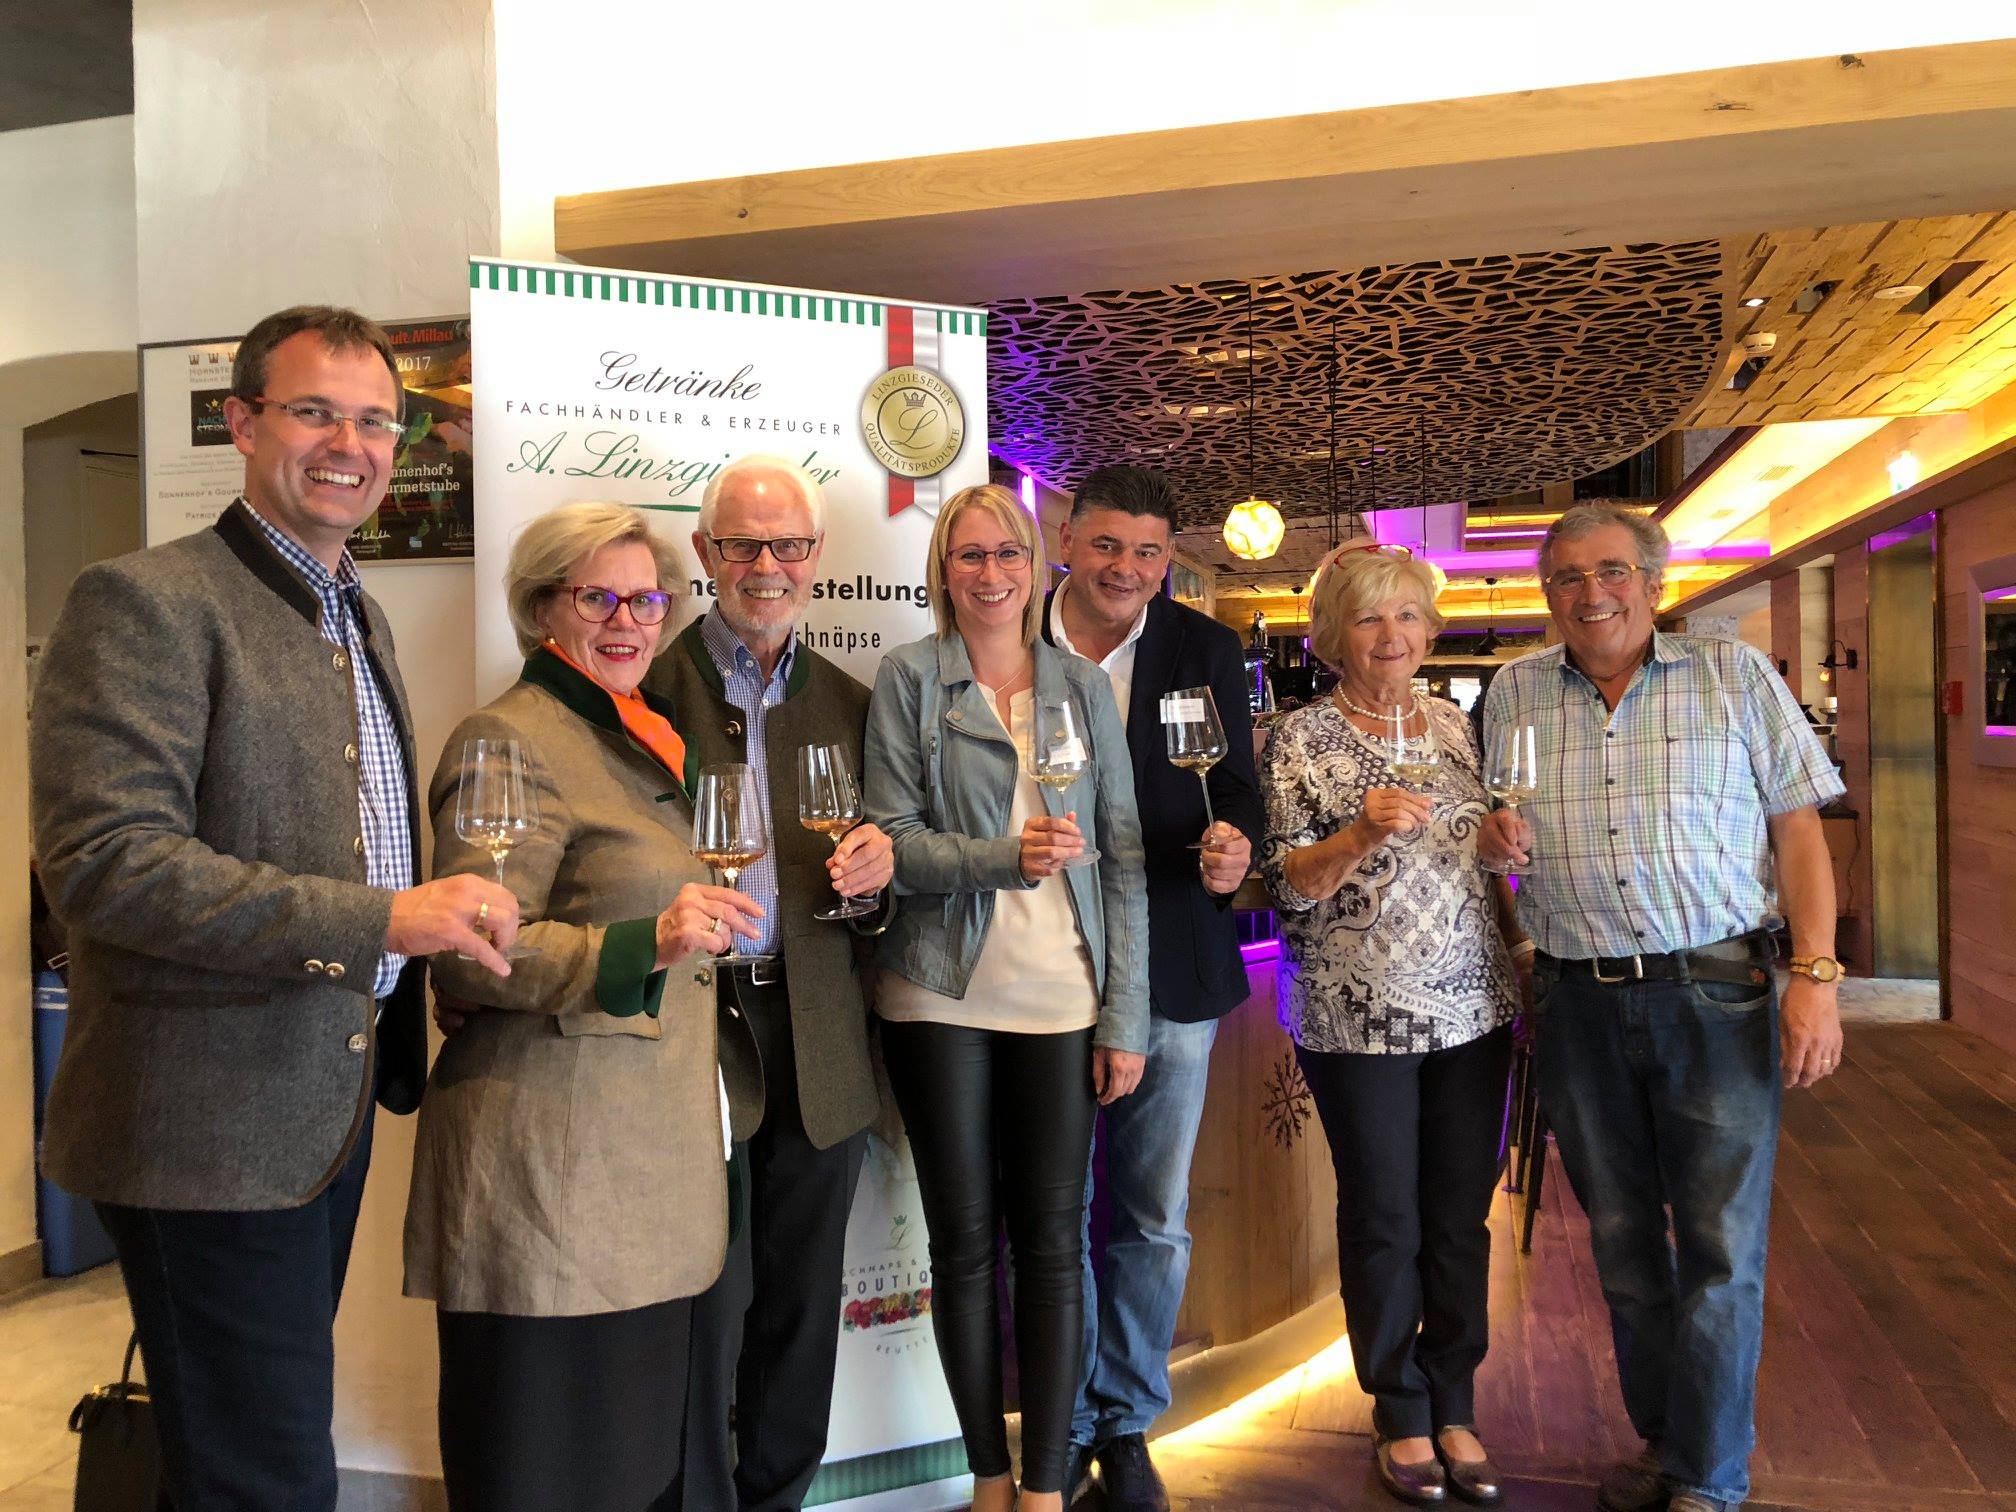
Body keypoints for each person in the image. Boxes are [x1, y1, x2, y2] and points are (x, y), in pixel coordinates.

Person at [29, 305, 518, 1510]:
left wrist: (424, 962)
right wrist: (380, 927)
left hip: (320, 1101)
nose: (347, 443)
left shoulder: (357, 607)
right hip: (203, 1121)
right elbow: (105, 863)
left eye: (374, 421)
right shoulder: (142, 599)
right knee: (265, 1471)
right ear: (242, 422)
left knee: (261, 1442)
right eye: (313, 411)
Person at [406, 502, 772, 1507]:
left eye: (645, 598)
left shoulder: (639, 731)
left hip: (646, 1172)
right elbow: (474, 949)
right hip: (552, 1183)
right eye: (597, 597)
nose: (628, 621)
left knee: (639, 1467)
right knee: (554, 1470)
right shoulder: (508, 742)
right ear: (541, 608)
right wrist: (641, 942)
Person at [1480, 504, 1844, 1512]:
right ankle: (1668, 1444)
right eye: (1564, 577)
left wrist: (1814, 978)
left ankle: (1712, 1477)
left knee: (1723, 1250)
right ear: (1546, 591)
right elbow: (1487, 835)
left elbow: (1799, 832)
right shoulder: (1511, 694)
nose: (1588, 594)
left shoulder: (1733, 676)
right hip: (1577, 1003)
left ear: (1651, 581)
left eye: (1608, 572)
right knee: (1624, 1246)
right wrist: (1489, 845)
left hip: (1715, 995)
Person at [864, 482, 1150, 1512]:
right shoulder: (910, 679)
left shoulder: (1081, 689)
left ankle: (1042, 1487)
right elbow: (888, 844)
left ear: (1038, 566)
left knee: (1054, 1246)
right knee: (964, 1247)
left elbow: (1122, 863)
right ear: (944, 571)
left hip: (1060, 999)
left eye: (1009, 554)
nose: (991, 574)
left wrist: (1125, 1016)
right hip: (938, 994)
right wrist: (1001, 856)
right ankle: (988, 1478)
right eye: (969, 555)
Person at [643, 454, 896, 1511]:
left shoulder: (851, 699)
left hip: (818, 1026)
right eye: (742, 544)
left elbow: (884, 888)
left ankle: (778, 1498)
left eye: (787, 544)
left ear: (816, 558)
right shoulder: (644, 689)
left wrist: (877, 881)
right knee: (704, 1296)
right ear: (705, 554)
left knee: (799, 1299)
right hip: (696, 1028)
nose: (766, 565)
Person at [1258, 543, 1524, 1507]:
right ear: (1335, 635)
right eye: (1370, 618)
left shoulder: (1456, 725)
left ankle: (1456, 1397)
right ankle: (1399, 1407)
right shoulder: (1297, 739)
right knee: (1385, 1217)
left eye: (1408, 615)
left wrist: (1502, 851)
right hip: (1352, 1013)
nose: (1392, 636)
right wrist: (1361, 830)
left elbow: (1482, 862)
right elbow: (1289, 886)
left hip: (1473, 1007)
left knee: (1460, 1214)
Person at [1042, 465, 1262, 1511]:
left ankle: (1124, 1422)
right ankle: (1060, 1416)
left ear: (1166, 559)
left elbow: (1242, 801)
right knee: (1050, 1214)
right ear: (1065, 542)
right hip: (1038, 969)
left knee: (1149, 1217)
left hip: (1171, 962)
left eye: (1148, 553)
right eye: (1106, 547)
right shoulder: (1009, 636)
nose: (1127, 569)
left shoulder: (1202, 650)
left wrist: (1235, 856)